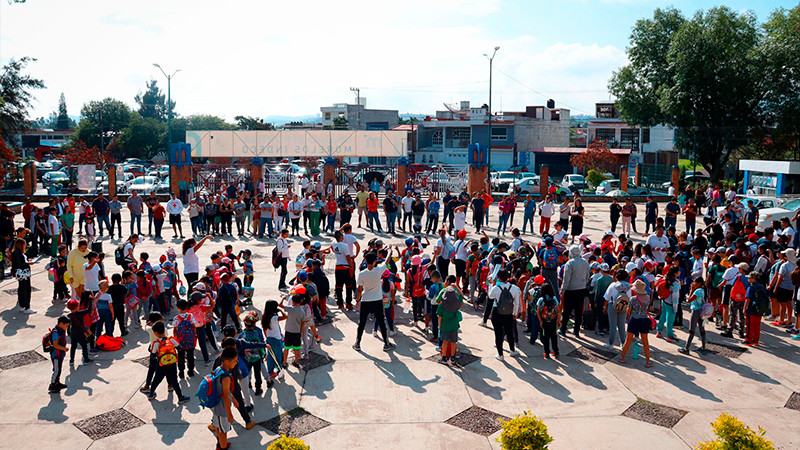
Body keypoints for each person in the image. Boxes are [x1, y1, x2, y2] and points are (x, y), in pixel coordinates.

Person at [353, 252, 396, 352]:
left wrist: (357, 300)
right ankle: (386, 343)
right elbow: (387, 261)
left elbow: (359, 289)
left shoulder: (361, 274)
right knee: (381, 321)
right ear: (375, 261)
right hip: (377, 300)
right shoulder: (378, 271)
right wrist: (389, 252)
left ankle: (357, 343)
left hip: (365, 300)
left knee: (361, 323)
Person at [147, 321, 191, 403]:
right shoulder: (171, 339)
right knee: (174, 381)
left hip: (161, 365)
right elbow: (180, 348)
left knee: (157, 379)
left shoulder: (156, 343)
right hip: (172, 364)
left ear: (156, 333)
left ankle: (151, 394)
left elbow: (152, 356)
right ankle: (180, 397)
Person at [617, 279, 653, 368]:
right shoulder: (648, 297)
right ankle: (648, 361)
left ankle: (622, 357)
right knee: (645, 343)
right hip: (644, 320)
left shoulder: (633, 299)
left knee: (628, 340)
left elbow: (629, 310)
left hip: (634, 320)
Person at [209, 347, 239, 450]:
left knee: (218, 427)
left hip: (216, 405)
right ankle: (223, 447)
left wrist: (234, 399)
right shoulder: (226, 377)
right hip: (222, 409)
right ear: (227, 361)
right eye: (235, 360)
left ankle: (220, 444)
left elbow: (226, 391)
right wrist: (229, 414)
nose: (236, 363)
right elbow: (226, 396)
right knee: (223, 431)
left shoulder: (218, 369)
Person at [488, 269, 521, 360]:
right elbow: (517, 303)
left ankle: (500, 355)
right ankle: (512, 350)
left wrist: (491, 285)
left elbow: (490, 296)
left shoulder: (496, 288)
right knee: (509, 332)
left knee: (498, 334)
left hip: (497, 312)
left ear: (498, 277)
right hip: (509, 313)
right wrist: (515, 313)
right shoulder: (514, 288)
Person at [559, 245, 589, 337]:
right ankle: (576, 331)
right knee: (578, 311)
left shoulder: (570, 263)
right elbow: (587, 276)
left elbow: (566, 279)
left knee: (567, 311)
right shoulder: (585, 262)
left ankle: (563, 329)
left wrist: (563, 290)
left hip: (570, 290)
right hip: (581, 289)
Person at [436, 275, 463, 364]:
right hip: (454, 325)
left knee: (445, 342)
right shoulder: (456, 304)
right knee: (453, 342)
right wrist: (458, 289)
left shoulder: (441, 306)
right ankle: (452, 358)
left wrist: (440, 325)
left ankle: (444, 358)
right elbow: (462, 299)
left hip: (445, 325)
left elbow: (439, 316)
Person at [656, 267, 680, 342]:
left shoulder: (666, 278)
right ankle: (669, 336)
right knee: (670, 320)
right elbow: (675, 297)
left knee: (662, 317)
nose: (680, 272)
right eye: (678, 271)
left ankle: (659, 332)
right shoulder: (676, 283)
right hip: (671, 304)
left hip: (664, 300)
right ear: (675, 273)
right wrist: (675, 307)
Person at [11, 238, 35, 314]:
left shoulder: (17, 252)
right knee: (26, 289)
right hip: (23, 274)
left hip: (22, 274)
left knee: (21, 289)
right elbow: (19, 264)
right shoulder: (17, 253)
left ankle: (22, 306)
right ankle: (27, 306)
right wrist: (28, 264)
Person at [47, 316, 71, 393]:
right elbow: (55, 345)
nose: (67, 327)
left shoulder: (61, 330)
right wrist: (64, 348)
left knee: (59, 369)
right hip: (56, 355)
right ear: (61, 324)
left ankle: (57, 383)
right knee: (56, 370)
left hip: (60, 354)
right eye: (66, 325)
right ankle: (52, 384)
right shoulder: (56, 333)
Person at [537, 282, 560, 358]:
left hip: (544, 320)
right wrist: (559, 320)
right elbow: (558, 310)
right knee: (554, 335)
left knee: (545, 336)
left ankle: (546, 352)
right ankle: (556, 351)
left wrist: (540, 321)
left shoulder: (541, 300)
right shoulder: (554, 299)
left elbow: (538, 311)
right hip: (553, 320)